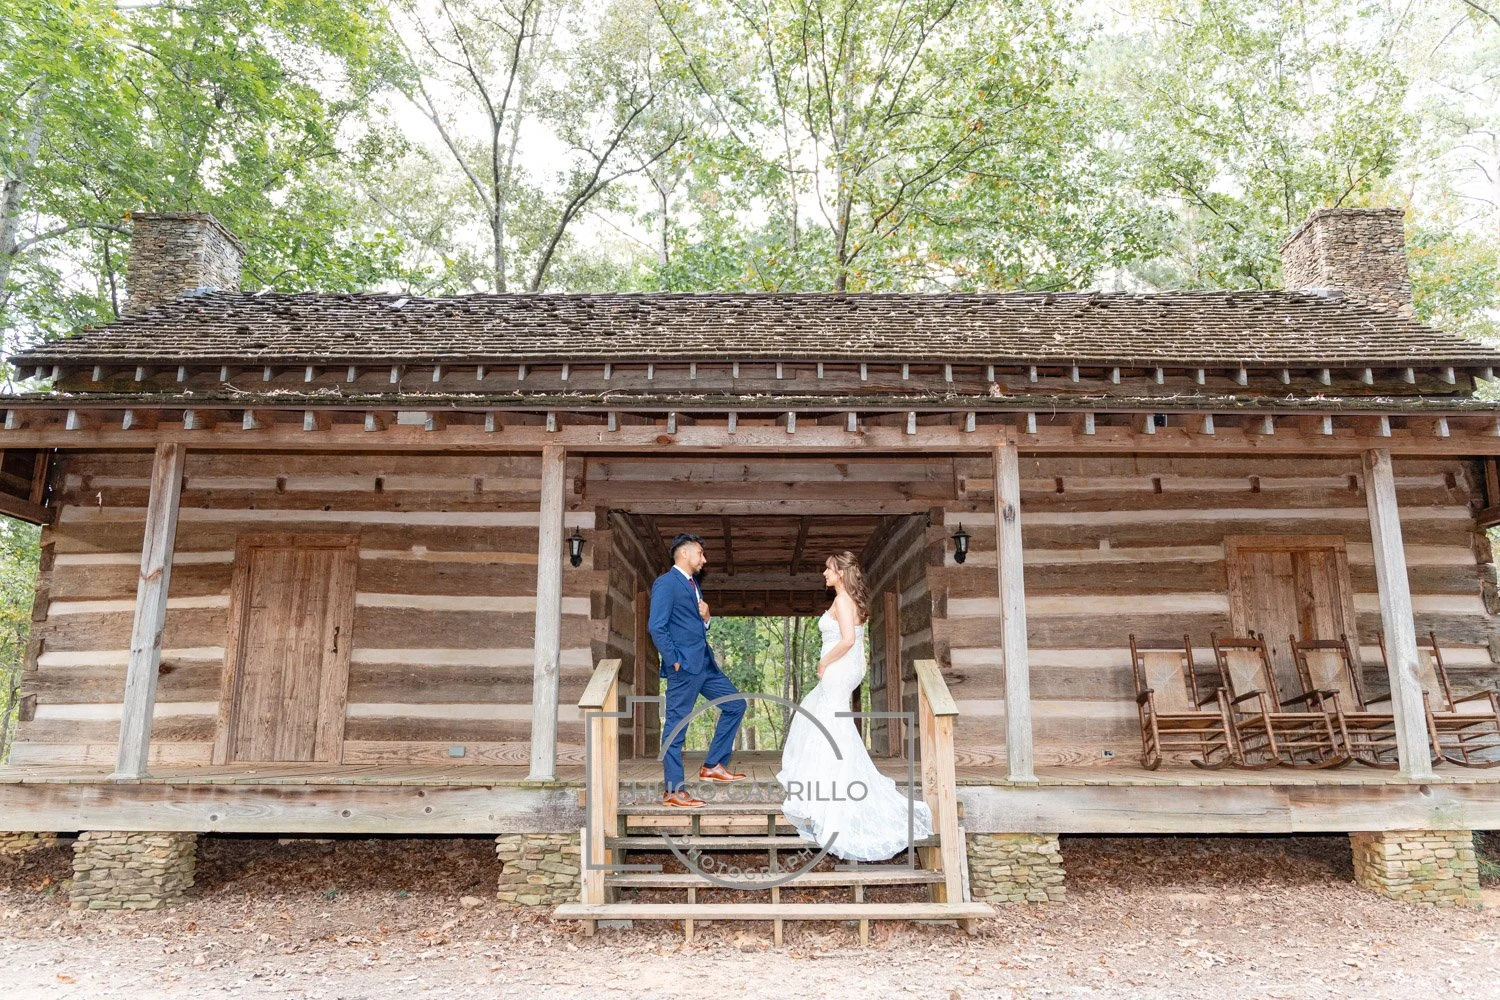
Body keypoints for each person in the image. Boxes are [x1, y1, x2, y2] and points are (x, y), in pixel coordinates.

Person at [777, 551, 933, 860]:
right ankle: (828, 783)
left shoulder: (844, 601)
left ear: (841, 573)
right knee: (830, 723)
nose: (824, 573)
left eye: (828, 569)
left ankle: (832, 793)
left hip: (839, 668)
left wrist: (824, 661)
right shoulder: (844, 600)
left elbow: (848, 639)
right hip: (844, 669)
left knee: (828, 722)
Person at [648, 533, 746, 807]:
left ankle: (713, 764)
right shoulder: (666, 583)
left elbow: (693, 623)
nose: (704, 559)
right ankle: (673, 791)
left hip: (704, 664)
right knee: (676, 727)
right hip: (684, 667)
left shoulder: (692, 585)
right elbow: (657, 626)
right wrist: (674, 660)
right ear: (684, 554)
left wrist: (706, 618)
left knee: (736, 704)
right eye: (700, 554)